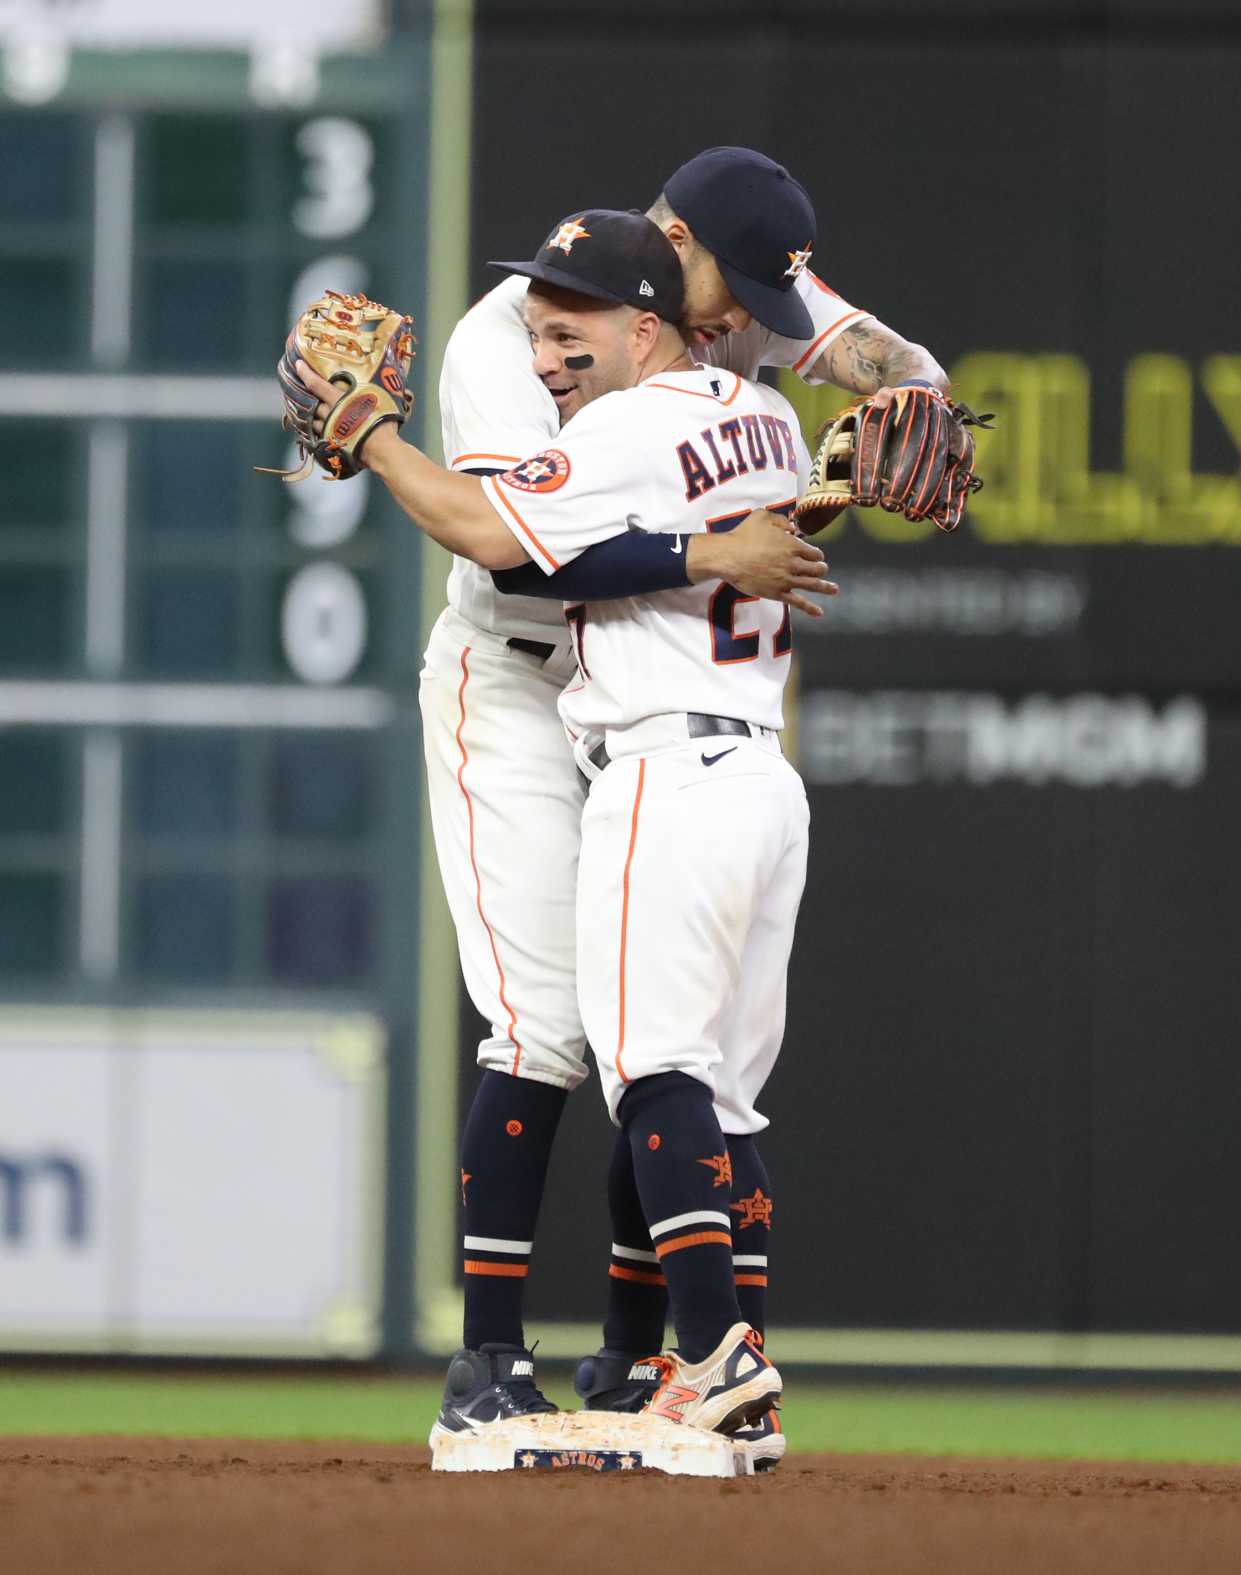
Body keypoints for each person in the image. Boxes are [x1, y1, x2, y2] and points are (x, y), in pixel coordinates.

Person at [417, 149, 947, 1459]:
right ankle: (491, 1359)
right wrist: (720, 544)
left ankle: (646, 1363)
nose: (747, 318)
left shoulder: (725, 315)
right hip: (525, 673)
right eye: (731, 284)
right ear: (663, 257)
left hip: (660, 700)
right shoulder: (519, 341)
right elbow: (515, 555)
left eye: (769, 292)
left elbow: (888, 359)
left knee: (657, 1047)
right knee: (550, 1026)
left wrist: (920, 405)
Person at [316, 209, 823, 1443]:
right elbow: (519, 567)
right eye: (540, 325)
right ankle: (551, 1359)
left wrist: (370, 436)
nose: (547, 353)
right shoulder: (739, 410)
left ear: (645, 317)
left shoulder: (658, 402)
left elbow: (508, 532)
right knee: (585, 1041)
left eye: (570, 330)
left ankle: (684, 1360)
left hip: (648, 737)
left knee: (649, 1063)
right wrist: (758, 524)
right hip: (573, 698)